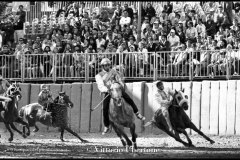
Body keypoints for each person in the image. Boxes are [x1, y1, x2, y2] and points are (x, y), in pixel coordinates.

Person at [95, 58, 145, 135]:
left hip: (117, 89)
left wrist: (120, 85)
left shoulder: (114, 72)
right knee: (105, 108)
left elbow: (120, 79)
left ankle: (137, 113)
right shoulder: (99, 75)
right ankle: (106, 125)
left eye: (108, 65)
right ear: (103, 66)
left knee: (129, 99)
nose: (107, 66)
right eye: (106, 65)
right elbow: (100, 86)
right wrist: (106, 90)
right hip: (109, 91)